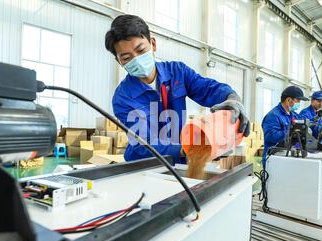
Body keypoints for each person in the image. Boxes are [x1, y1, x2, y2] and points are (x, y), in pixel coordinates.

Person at [105, 15, 250, 164]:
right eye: (126, 57)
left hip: (180, 159)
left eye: (141, 50)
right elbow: (144, 143)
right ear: (119, 61)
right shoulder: (123, 98)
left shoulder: (178, 72)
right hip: (143, 165)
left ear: (153, 44)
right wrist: (191, 150)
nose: (136, 60)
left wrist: (232, 98)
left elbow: (208, 89)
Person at [261, 86, 309, 167]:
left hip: (287, 155)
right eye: (298, 101)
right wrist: (291, 130)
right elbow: (271, 137)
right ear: (288, 100)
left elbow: (303, 125)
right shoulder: (273, 115)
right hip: (274, 158)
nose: (299, 104)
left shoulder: (293, 114)